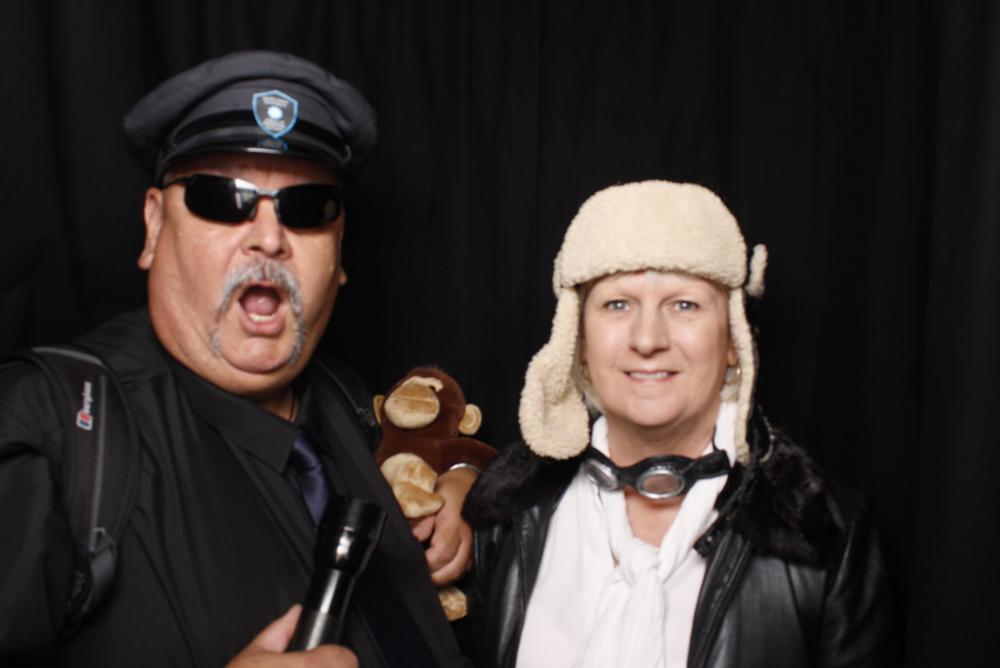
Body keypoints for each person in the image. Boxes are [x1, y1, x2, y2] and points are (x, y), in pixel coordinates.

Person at [0, 51, 476, 667]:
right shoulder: (49, 426)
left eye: (307, 208)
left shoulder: (346, 399)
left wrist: (462, 485)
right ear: (153, 227)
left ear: (339, 249)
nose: (269, 238)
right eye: (223, 199)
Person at [462, 181, 892, 667]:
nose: (648, 339)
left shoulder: (828, 534)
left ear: (734, 341)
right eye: (618, 305)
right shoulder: (507, 510)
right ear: (578, 339)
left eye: (684, 305)